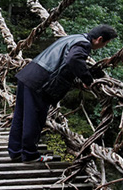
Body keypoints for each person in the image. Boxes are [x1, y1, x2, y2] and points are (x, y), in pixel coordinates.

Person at [8, 25, 117, 163]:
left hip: (28, 75)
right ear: (99, 39)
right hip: (40, 81)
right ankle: (29, 154)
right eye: (105, 43)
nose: (104, 47)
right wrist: (88, 80)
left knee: (20, 116)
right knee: (34, 118)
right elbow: (74, 59)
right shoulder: (83, 44)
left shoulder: (74, 37)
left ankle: (15, 151)